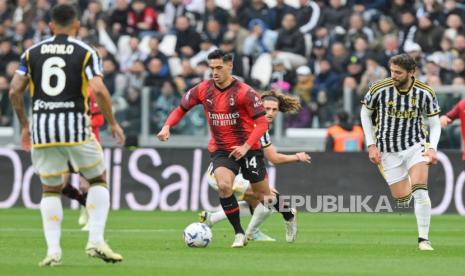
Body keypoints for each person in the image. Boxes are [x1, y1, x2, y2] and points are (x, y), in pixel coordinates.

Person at [9, 4, 125, 266]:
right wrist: (113, 123)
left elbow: (14, 91)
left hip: (42, 130)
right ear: (76, 26)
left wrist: (25, 125)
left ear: (51, 25)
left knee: (50, 189)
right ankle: (95, 240)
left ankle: (53, 251)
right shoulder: (86, 52)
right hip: (75, 129)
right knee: (98, 180)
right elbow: (99, 90)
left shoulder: (31, 52)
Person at [157, 49, 297, 248]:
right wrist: (167, 126)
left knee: (264, 197)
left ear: (230, 66)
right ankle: (239, 233)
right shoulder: (203, 89)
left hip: (248, 148)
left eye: (219, 68)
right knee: (224, 186)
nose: (214, 72)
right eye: (211, 67)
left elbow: (262, 124)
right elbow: (181, 108)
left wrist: (246, 145)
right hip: (222, 149)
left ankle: (288, 213)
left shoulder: (245, 93)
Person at [200, 90, 311, 242]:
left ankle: (220, 220)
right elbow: (274, 158)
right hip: (221, 174)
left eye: (274, 110)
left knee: (262, 203)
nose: (270, 113)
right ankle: (286, 214)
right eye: (266, 109)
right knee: (269, 197)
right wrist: (297, 157)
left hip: (236, 172)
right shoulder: (250, 123)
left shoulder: (261, 127)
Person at [360, 54, 441, 251]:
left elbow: (434, 123)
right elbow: (365, 113)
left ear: (411, 72)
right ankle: (411, 185)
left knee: (421, 190)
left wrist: (432, 148)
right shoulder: (379, 88)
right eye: (392, 71)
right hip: (388, 149)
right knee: (402, 198)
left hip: (415, 145)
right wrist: (371, 145)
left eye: (398, 72)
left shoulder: (425, 92)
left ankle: (423, 239)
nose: (393, 75)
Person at [61, 88, 105, 230]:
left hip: (88, 144)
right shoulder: (66, 92)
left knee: (85, 185)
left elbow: (99, 119)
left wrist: (80, 124)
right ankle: (84, 203)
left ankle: (91, 218)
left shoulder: (92, 92)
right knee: (61, 185)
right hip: (68, 144)